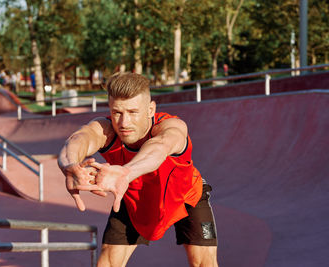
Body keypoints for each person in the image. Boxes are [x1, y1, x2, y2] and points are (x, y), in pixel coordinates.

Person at [58, 72, 218, 266]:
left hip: (187, 197)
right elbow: (80, 138)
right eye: (117, 112)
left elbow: (159, 147)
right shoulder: (107, 130)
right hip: (132, 196)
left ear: (151, 109)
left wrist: (126, 172)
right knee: (107, 262)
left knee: (204, 264)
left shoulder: (170, 127)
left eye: (133, 112)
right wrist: (69, 164)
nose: (124, 123)